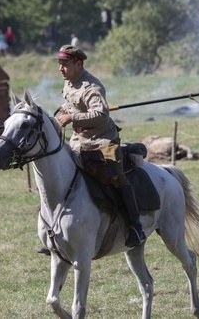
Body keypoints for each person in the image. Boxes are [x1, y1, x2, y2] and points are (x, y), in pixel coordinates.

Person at [55, 44, 146, 247]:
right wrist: (65, 108)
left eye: (65, 64)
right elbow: (72, 103)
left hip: (102, 140)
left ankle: (135, 227)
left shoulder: (91, 87)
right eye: (59, 64)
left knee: (116, 176)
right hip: (79, 141)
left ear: (78, 63)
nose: (61, 69)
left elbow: (101, 116)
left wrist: (72, 117)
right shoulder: (69, 82)